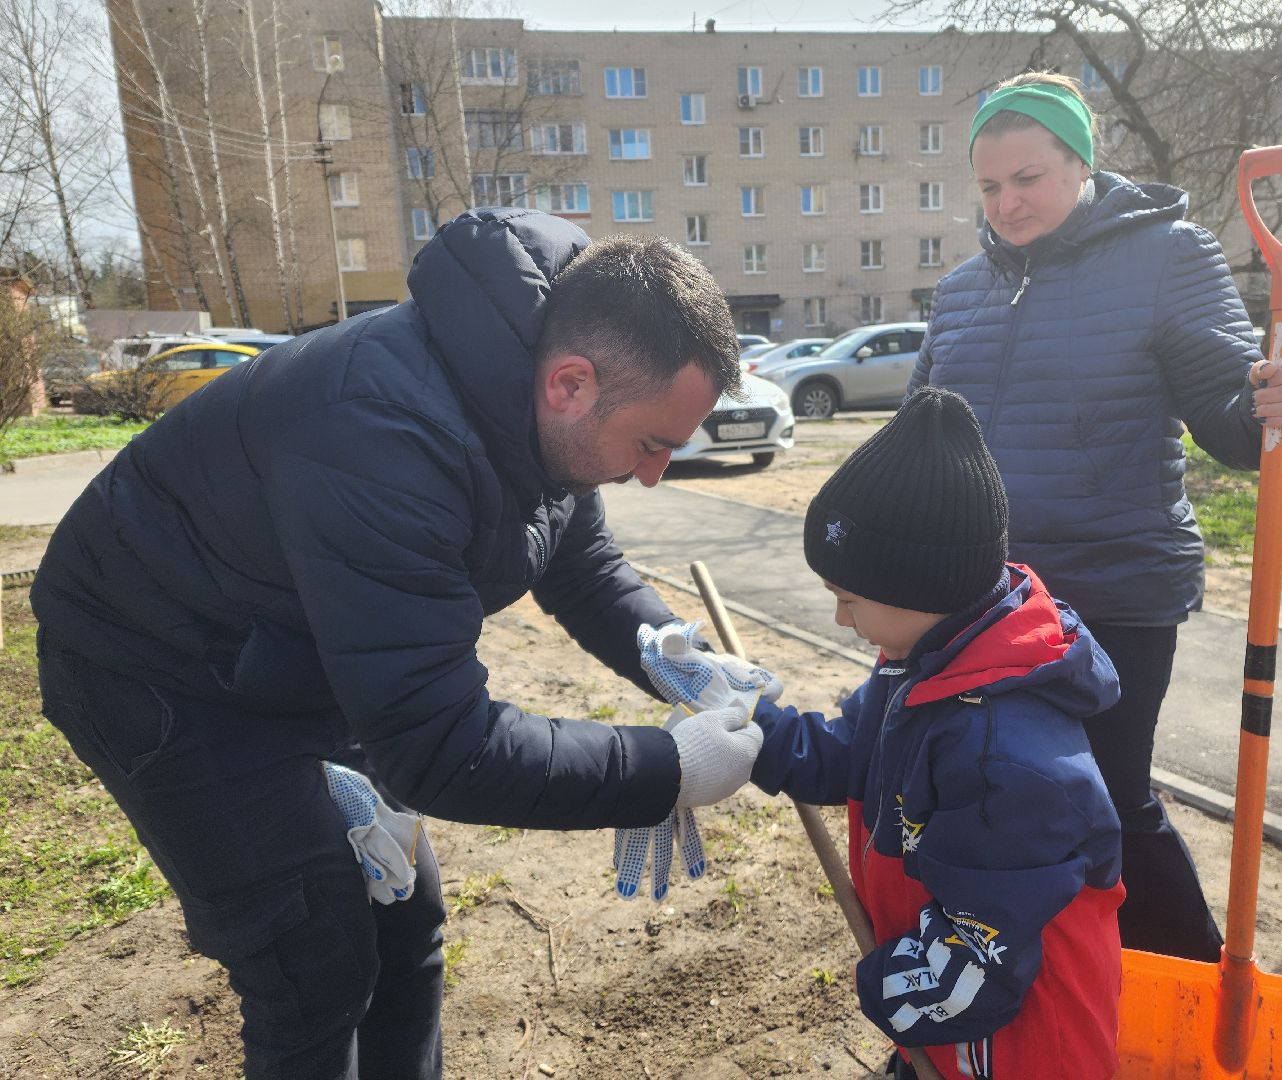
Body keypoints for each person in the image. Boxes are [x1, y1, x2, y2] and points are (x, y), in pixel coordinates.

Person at [29, 209, 766, 1078]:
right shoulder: (383, 435)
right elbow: (439, 747)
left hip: (297, 639)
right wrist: (664, 770)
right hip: (157, 665)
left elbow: (579, 559)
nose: (653, 474)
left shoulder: (539, 374)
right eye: (650, 445)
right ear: (570, 383)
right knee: (311, 958)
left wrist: (666, 651)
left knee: (405, 914)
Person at [910, 71, 1282, 962]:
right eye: (989, 186)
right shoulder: (961, 290)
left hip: (1113, 586)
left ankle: (1185, 979)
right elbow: (922, 437)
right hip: (986, 597)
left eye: (1027, 178)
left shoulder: (1165, 255)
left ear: (1080, 165)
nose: (1006, 203)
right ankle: (1027, 983)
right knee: (986, 791)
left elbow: (1229, 409)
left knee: (1105, 795)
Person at [744, 388, 1125, 1080]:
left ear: (917, 589)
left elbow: (978, 962)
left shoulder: (1004, 757)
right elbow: (849, 753)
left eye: (847, 600)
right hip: (944, 1023)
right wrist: (754, 734)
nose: (838, 620)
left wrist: (878, 987)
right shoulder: (918, 668)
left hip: (1016, 1049)